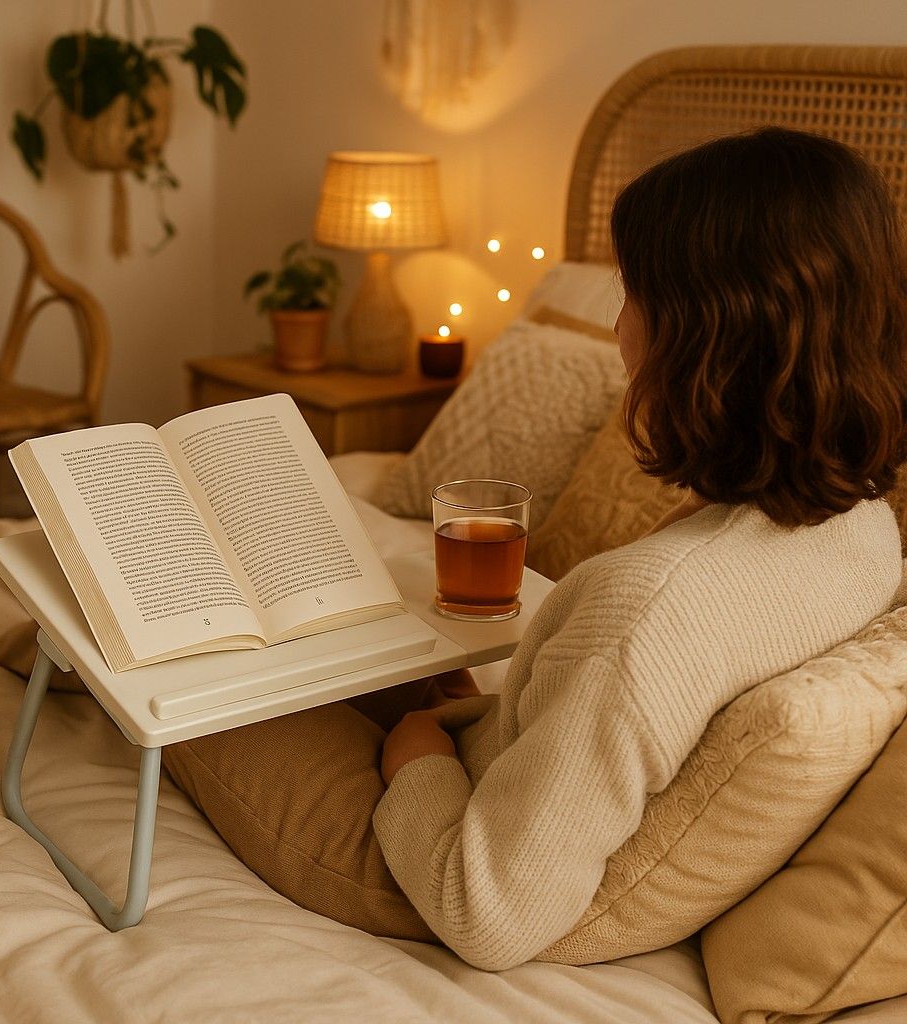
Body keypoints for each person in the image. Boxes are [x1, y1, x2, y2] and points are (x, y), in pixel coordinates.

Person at [163, 127, 907, 971]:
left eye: (633, 297)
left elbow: (489, 913)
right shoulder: (862, 525)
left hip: (425, 868)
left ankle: (57, 653)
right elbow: (615, 729)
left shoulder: (652, 606)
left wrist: (420, 758)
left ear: (706, 336)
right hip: (501, 795)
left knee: (176, 670)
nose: (619, 328)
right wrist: (473, 713)